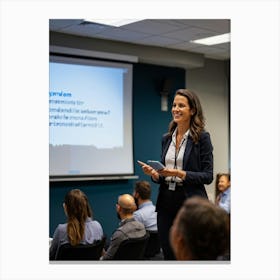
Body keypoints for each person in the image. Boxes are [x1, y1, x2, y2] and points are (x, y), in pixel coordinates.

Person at [138, 88, 213, 260]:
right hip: (166, 201)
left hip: (190, 202)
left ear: (192, 110)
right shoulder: (167, 138)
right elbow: (164, 173)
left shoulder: (202, 138)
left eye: (181, 105)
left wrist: (179, 173)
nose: (175, 109)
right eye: (174, 105)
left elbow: (208, 176)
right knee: (168, 251)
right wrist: (156, 175)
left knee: (190, 253)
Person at [49, 189, 104, 260]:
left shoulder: (61, 230)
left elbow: (51, 257)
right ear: (86, 207)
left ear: (66, 207)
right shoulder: (97, 226)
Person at [101, 194, 146, 260]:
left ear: (118, 208)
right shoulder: (142, 227)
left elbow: (107, 259)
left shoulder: (120, 234)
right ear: (135, 208)